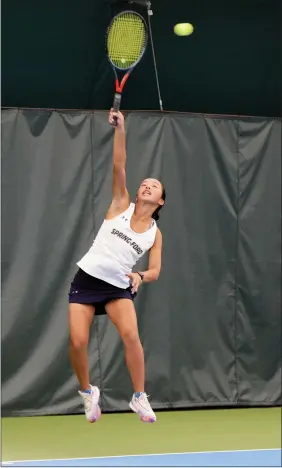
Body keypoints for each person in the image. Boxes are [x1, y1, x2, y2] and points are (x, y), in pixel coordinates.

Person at [68, 109, 166, 424]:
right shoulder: (121, 203)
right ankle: (87, 392)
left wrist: (140, 275)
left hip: (117, 287)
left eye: (154, 186)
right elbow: (118, 165)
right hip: (87, 279)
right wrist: (120, 129)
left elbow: (154, 271)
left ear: (161, 201)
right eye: (145, 184)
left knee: (130, 336)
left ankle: (139, 397)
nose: (147, 186)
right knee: (77, 342)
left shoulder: (155, 234)